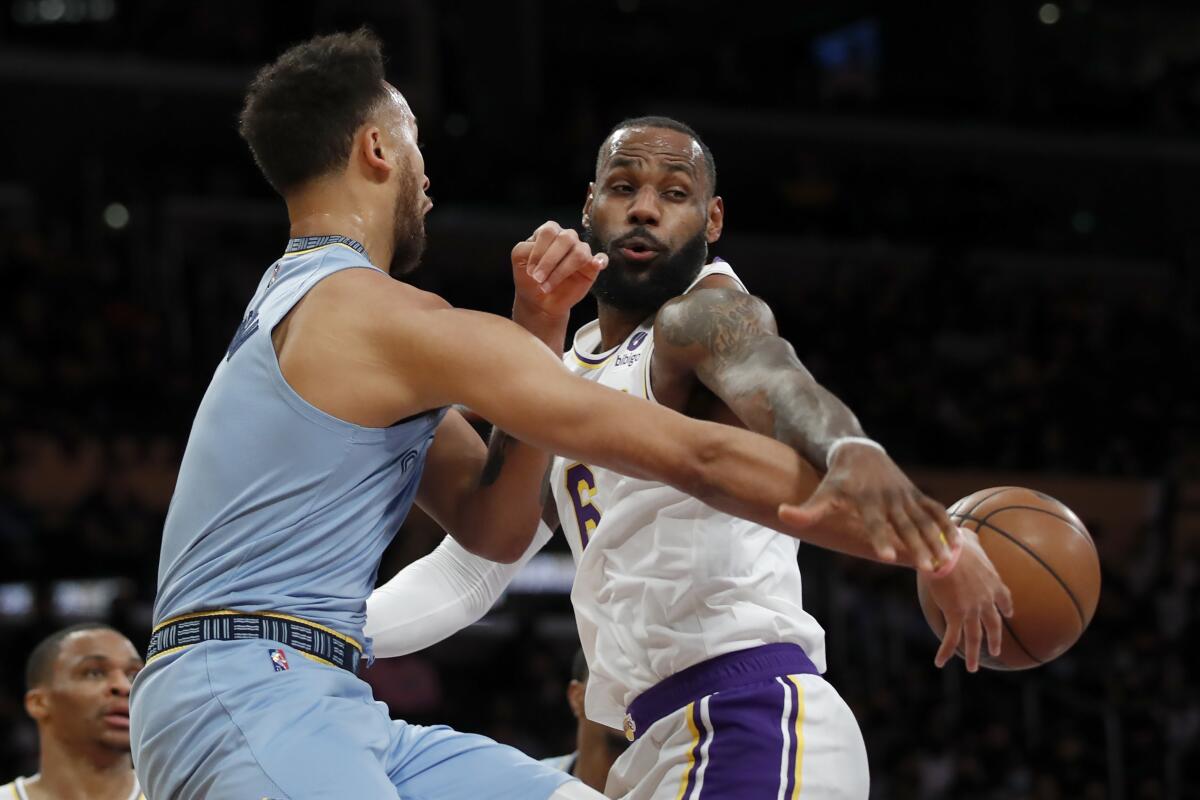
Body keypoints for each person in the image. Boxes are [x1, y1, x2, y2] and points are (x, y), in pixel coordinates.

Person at [128, 31, 951, 800]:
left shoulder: (338, 318)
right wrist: (936, 541)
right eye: (413, 140)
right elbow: (690, 459)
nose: (427, 173)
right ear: (377, 150)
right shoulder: (380, 315)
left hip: (331, 692)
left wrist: (534, 336)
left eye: (672, 193)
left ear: (713, 216)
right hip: (247, 681)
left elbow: (489, 528)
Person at [366, 116, 1012, 799]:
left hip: (750, 715)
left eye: (675, 193)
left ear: (713, 220)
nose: (644, 206)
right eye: (623, 187)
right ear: (590, 205)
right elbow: (474, 572)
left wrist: (852, 450)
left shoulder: (698, 317)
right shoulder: (565, 374)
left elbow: (776, 377)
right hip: (659, 740)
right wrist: (326, 634)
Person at [2, 624, 145, 800]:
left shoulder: (173, 794)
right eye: (94, 673)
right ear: (39, 703)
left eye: (133, 675)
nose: (125, 686)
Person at [542, 650, 627, 791]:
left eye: (639, 684)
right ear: (577, 697)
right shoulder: (531, 783)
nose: (629, 694)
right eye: (615, 678)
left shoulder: (670, 789)